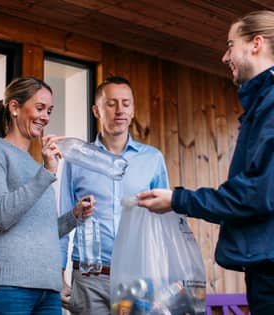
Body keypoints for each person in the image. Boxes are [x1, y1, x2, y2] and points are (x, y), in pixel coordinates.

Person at [138, 10, 274, 315]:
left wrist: (178, 199)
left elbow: (258, 192)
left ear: (256, 44)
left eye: (230, 45)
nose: (225, 57)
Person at [0, 77, 95, 315]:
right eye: (39, 108)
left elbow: (40, 230)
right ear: (15, 107)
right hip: (8, 289)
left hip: (48, 291)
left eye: (49, 110)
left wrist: (75, 216)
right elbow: (1, 215)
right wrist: (46, 173)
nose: (45, 117)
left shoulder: (35, 165)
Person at [59, 76, 169, 314]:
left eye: (126, 103)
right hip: (90, 278)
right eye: (111, 103)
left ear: (132, 110)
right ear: (96, 110)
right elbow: (62, 222)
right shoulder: (75, 159)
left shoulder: (153, 159)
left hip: (139, 275)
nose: (120, 110)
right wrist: (57, 274)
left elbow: (163, 223)